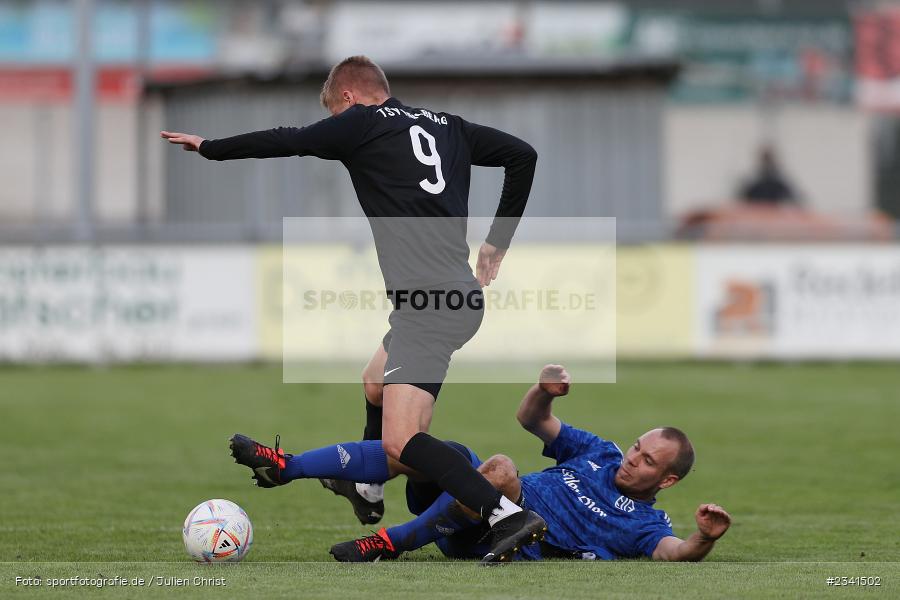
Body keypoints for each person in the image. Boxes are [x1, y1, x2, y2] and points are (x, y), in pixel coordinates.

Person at [162, 55, 544, 563]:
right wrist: (497, 243)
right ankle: (367, 490)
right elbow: (524, 155)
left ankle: (504, 513)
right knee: (374, 384)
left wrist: (210, 147)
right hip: (449, 297)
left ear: (347, 97)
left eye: (334, 112)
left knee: (404, 441)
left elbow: (287, 139)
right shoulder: (450, 126)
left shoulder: (360, 123)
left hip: (429, 304)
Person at [325, 364, 732, 562]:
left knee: (499, 468)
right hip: (471, 501)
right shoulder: (602, 453)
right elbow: (532, 419)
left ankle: (388, 542)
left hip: (493, 535)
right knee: (440, 448)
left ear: (668, 480)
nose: (632, 460)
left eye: (647, 462)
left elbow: (675, 553)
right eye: (636, 447)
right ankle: (362, 483)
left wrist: (706, 538)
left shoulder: (646, 526)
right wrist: (544, 390)